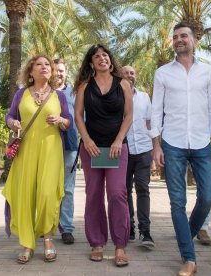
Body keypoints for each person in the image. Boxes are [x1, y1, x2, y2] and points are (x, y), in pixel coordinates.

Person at [150, 23, 211, 276]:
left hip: (202, 142)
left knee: (208, 197)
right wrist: (156, 145)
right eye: (176, 37)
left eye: (184, 36)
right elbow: (156, 110)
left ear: (194, 41)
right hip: (172, 142)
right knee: (177, 202)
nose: (179, 40)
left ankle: (187, 233)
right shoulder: (162, 73)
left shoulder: (208, 72)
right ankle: (188, 257)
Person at [2, 54, 72, 264]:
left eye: (47, 65)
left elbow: (68, 122)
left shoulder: (58, 96)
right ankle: (27, 242)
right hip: (26, 151)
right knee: (25, 195)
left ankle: (48, 237)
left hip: (51, 151)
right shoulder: (21, 94)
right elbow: (9, 117)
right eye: (39, 64)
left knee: (47, 194)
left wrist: (60, 120)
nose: (44, 67)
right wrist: (13, 122)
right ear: (30, 72)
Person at [74, 44, 133, 267]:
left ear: (110, 60)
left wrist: (118, 140)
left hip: (117, 147)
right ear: (91, 63)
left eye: (105, 55)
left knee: (118, 193)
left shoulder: (123, 84)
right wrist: (87, 140)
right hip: (92, 149)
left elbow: (128, 116)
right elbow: (79, 116)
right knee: (94, 194)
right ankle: (97, 243)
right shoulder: (84, 86)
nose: (102, 58)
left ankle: (120, 245)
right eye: (97, 56)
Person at [121, 65, 154, 248]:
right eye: (125, 73)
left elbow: (150, 123)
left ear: (136, 76)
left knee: (143, 188)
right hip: (123, 150)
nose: (129, 75)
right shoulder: (116, 97)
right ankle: (129, 228)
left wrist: (155, 147)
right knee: (124, 191)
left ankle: (146, 232)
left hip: (143, 149)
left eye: (132, 73)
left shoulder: (144, 97)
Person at [54, 58, 78, 245]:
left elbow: (82, 118)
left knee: (67, 189)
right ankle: (45, 225)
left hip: (69, 146)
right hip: (45, 147)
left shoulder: (75, 93)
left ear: (66, 73)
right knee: (45, 188)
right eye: (55, 70)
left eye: (61, 70)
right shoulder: (42, 92)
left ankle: (66, 228)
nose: (58, 73)